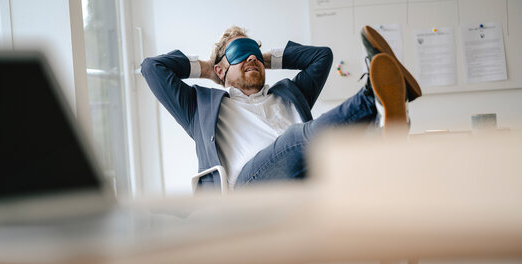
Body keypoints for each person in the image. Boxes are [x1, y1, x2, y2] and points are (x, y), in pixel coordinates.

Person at [141, 25, 421, 191]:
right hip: (251, 192)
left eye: (255, 52)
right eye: (240, 53)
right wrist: (208, 70)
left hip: (309, 176)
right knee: (297, 137)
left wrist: (256, 58)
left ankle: (383, 108)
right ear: (220, 69)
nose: (251, 57)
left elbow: (321, 57)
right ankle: (375, 97)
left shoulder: (290, 94)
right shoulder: (200, 108)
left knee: (349, 154)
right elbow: (152, 68)